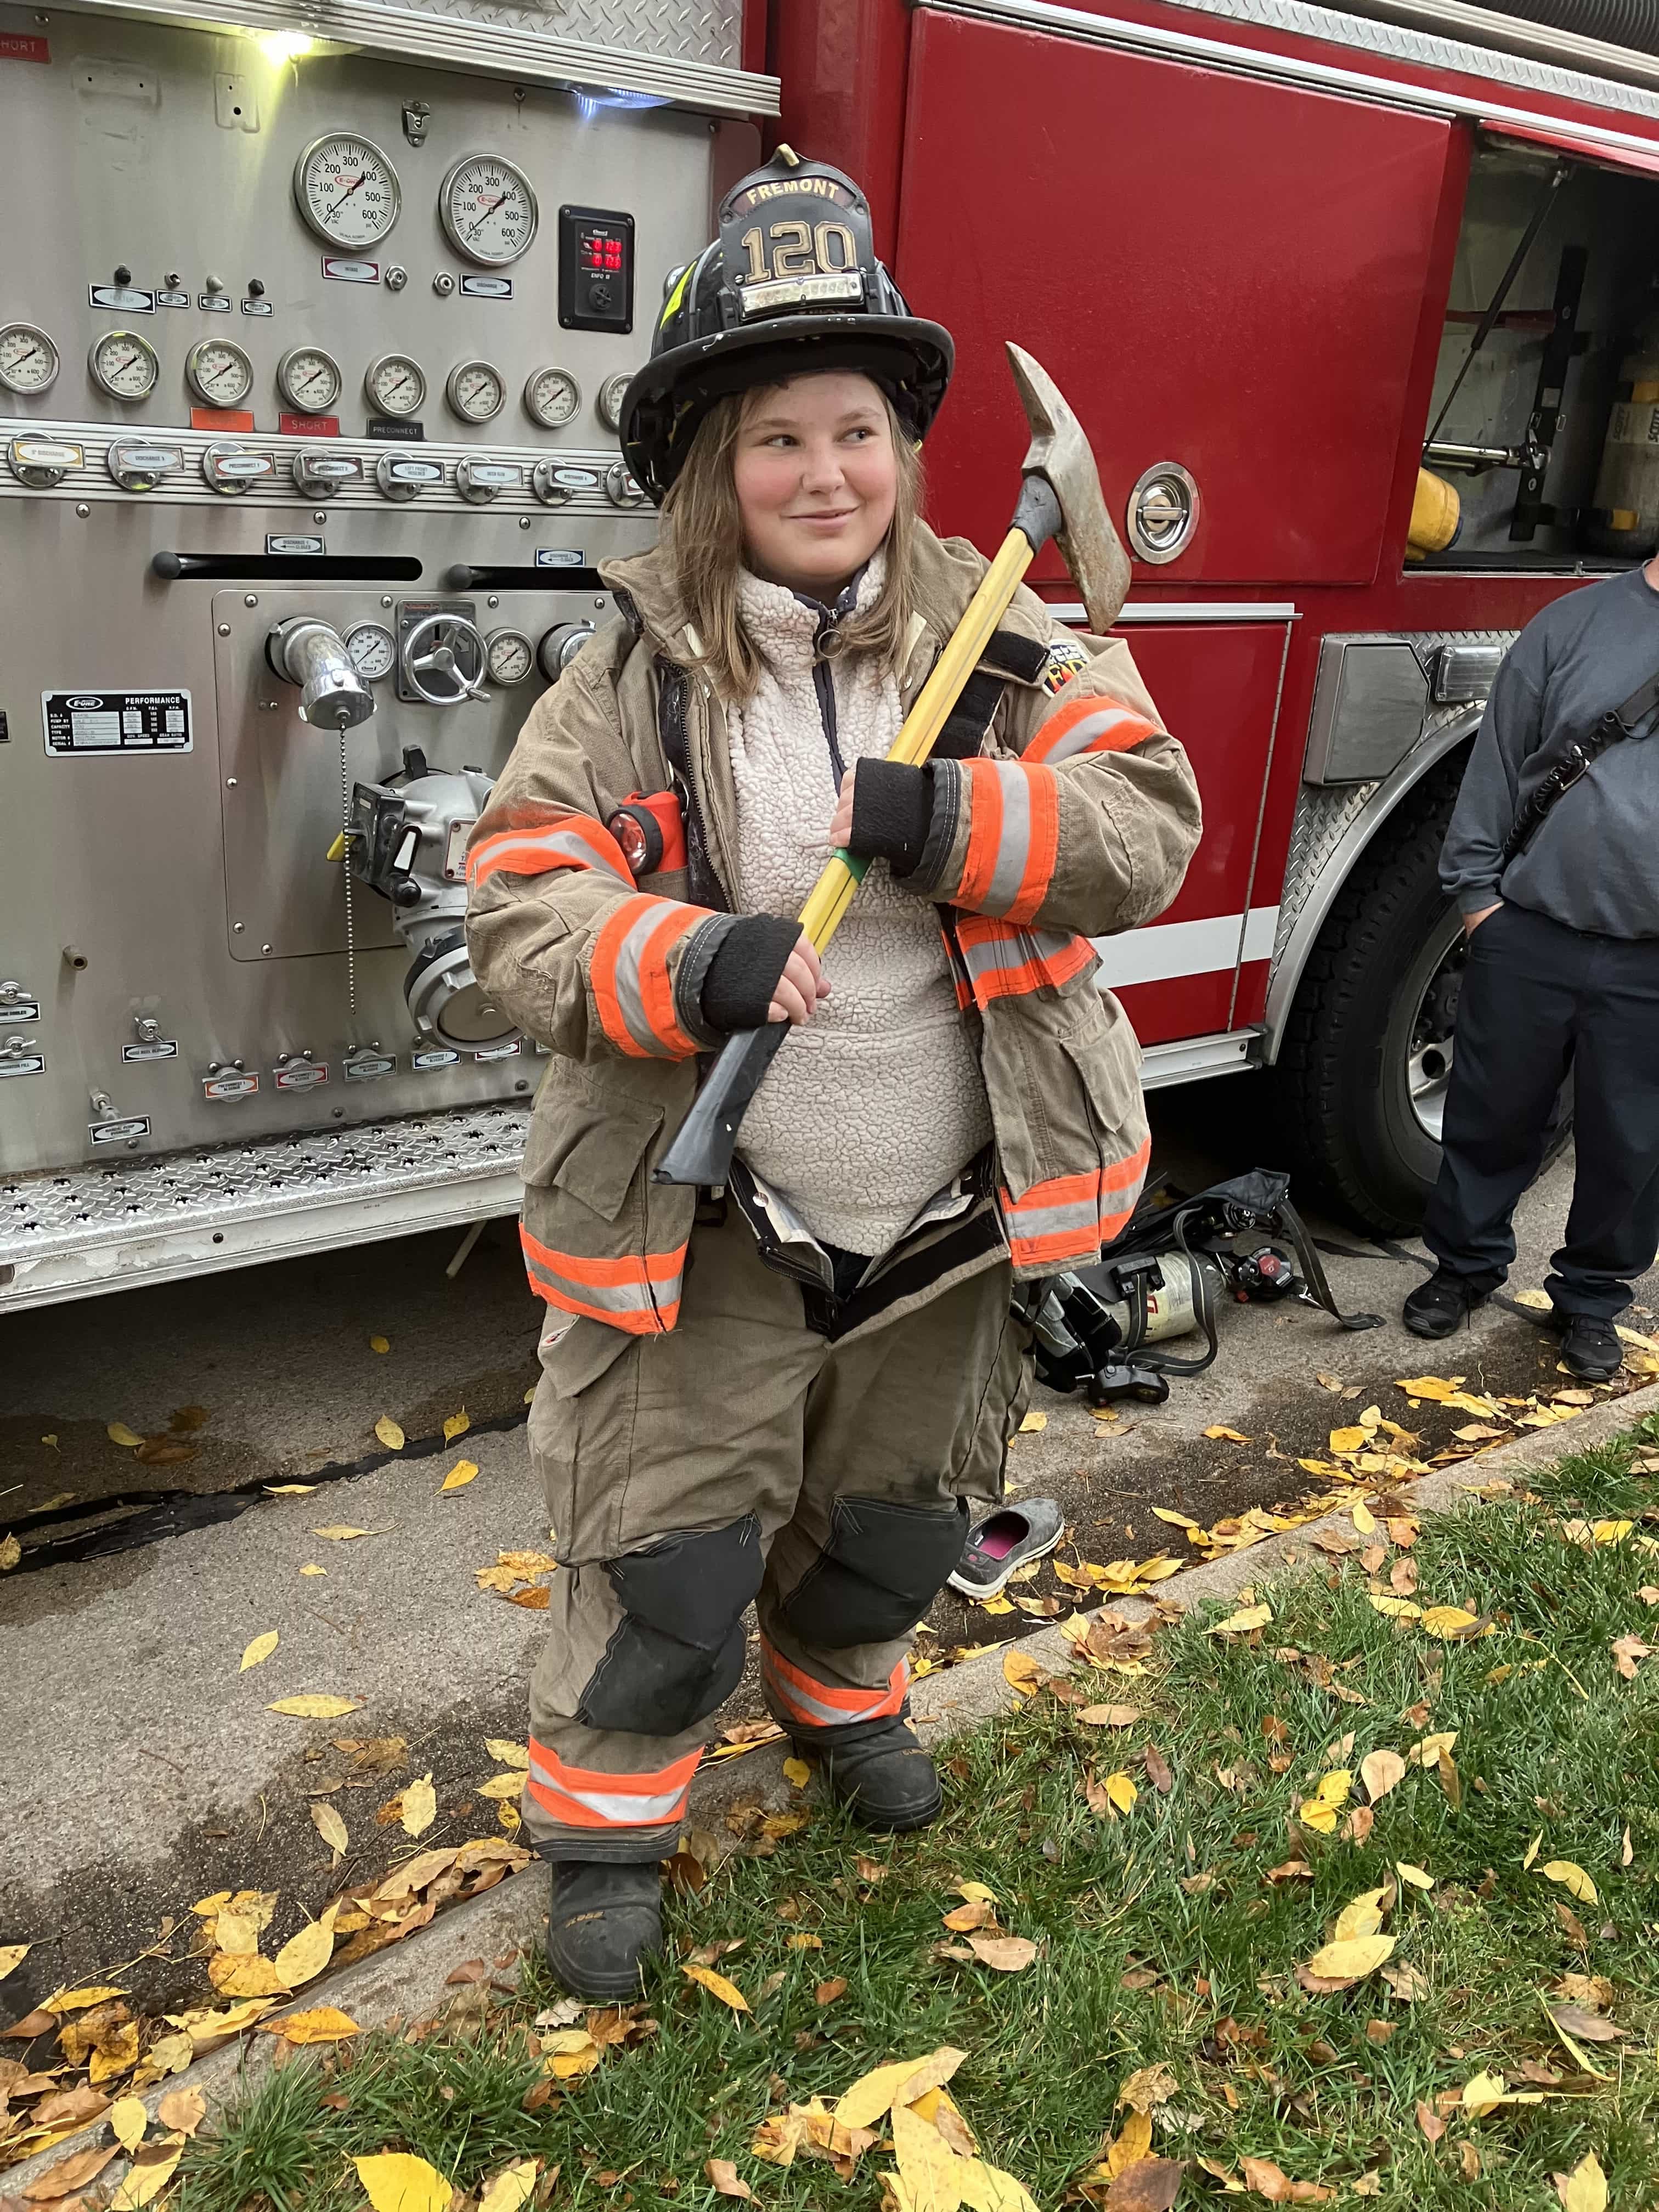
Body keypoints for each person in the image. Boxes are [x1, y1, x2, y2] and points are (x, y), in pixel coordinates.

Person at [465, 146, 1201, 2000]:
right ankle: (606, 1820)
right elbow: (518, 911)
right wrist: (687, 960)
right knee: (667, 1569)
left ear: (904, 448)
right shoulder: (627, 680)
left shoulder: (1013, 637)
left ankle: (838, 1700)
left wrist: (950, 813)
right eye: (777, 436)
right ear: (716, 460)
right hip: (707, 1225)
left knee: (893, 1529)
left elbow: (1145, 822)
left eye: (856, 430)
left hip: (945, 1225)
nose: (824, 475)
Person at [1404, 556, 1659, 1378]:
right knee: (1491, 1115)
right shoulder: (1571, 624)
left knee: (1633, 1143)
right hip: (1533, 934)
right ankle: (1463, 1269)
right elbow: (1499, 762)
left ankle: (1590, 1301)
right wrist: (1479, 900)